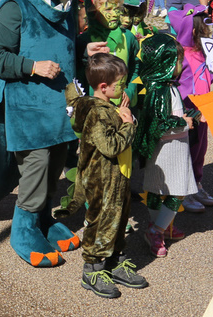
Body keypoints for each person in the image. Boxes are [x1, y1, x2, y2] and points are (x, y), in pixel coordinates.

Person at [58, 53, 144, 298]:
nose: (125, 88)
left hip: (119, 176)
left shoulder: (108, 107)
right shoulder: (97, 113)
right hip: (103, 180)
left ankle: (116, 261)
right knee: (101, 222)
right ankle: (93, 270)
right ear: (104, 87)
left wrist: (122, 112)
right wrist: (128, 124)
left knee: (118, 220)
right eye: (121, 84)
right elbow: (111, 146)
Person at [133, 32, 198, 258]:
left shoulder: (163, 87)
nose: (181, 66)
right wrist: (184, 122)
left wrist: (192, 115)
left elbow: (168, 115)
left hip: (167, 152)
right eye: (177, 61)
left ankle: (161, 227)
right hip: (169, 152)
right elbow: (159, 124)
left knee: (156, 189)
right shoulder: (162, 90)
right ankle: (157, 229)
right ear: (165, 63)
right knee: (175, 192)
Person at [168, 9, 213, 213]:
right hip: (187, 110)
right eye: (203, 25)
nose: (208, 29)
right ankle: (183, 192)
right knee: (186, 151)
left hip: (202, 108)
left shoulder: (201, 52)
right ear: (194, 31)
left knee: (200, 150)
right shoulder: (181, 55)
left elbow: (207, 77)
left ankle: (196, 185)